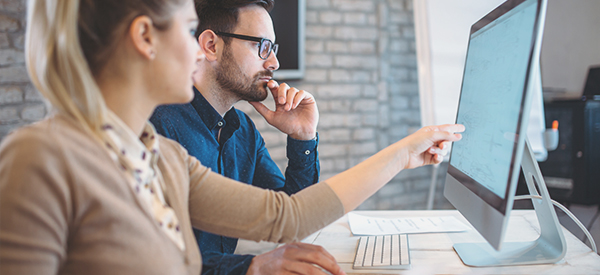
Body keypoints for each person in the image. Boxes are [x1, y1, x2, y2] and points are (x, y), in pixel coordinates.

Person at [0, 0, 464, 274]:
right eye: (186, 29)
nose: (195, 49)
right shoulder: (40, 158)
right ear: (145, 37)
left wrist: (401, 152)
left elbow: (290, 216)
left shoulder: (157, 158)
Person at [149, 1, 323, 273]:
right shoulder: (157, 126)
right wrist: (250, 266)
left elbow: (292, 217)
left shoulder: (243, 130)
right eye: (262, 46)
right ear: (210, 46)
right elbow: (156, 256)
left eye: (273, 49)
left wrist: (303, 137)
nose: (274, 62)